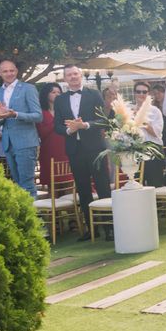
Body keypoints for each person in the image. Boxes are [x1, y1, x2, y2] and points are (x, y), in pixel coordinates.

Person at [54, 64, 112, 241]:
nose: (73, 77)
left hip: (95, 148)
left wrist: (84, 125)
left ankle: (109, 228)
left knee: (103, 187)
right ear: (65, 78)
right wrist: (70, 130)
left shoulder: (93, 94)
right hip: (74, 150)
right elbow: (57, 126)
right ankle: (91, 229)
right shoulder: (60, 100)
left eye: (75, 74)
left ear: (80, 76)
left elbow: (103, 121)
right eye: (69, 75)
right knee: (83, 190)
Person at [0, 60, 42, 197]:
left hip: (26, 142)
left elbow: (38, 116)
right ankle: (24, 217)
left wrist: (15, 114)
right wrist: (1, 116)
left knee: (27, 184)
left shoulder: (27, 88)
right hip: (8, 143)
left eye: (11, 70)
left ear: (16, 71)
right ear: (0, 73)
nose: (9, 73)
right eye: (5, 71)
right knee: (18, 184)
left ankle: (33, 218)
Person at [36, 83, 72, 186]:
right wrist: (56, 122)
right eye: (53, 92)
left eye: (59, 92)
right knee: (52, 183)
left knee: (69, 180)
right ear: (46, 95)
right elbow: (41, 133)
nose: (57, 94)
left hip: (65, 149)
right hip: (49, 151)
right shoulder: (41, 113)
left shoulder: (65, 111)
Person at [132, 82, 164, 156]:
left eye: (144, 92)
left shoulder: (155, 111)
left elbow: (156, 133)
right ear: (134, 93)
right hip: (134, 150)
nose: (141, 94)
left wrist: (141, 118)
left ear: (148, 94)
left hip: (153, 149)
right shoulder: (129, 111)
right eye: (138, 92)